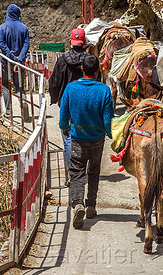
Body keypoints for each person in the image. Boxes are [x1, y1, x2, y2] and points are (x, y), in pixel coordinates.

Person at [59, 55, 114, 229]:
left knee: (76, 173)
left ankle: (77, 204)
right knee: (94, 171)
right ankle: (91, 205)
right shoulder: (104, 90)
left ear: (82, 69)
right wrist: (110, 134)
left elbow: (63, 115)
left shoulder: (71, 88)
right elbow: (107, 119)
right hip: (97, 139)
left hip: (77, 139)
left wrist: (64, 127)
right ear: (98, 70)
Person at [49, 28, 88, 183]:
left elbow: (53, 82)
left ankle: (72, 175)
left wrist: (56, 98)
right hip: (86, 105)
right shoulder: (89, 59)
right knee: (84, 139)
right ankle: (82, 173)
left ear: (71, 41)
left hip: (67, 104)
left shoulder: (62, 59)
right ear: (84, 42)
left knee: (68, 139)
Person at [0, 3, 30, 122]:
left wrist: (11, 57)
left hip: (6, 61)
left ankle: (8, 111)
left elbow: (2, 44)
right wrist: (19, 59)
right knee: (19, 85)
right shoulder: (24, 28)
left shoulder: (2, 27)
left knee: (6, 85)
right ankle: (24, 107)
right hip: (19, 62)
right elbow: (26, 44)